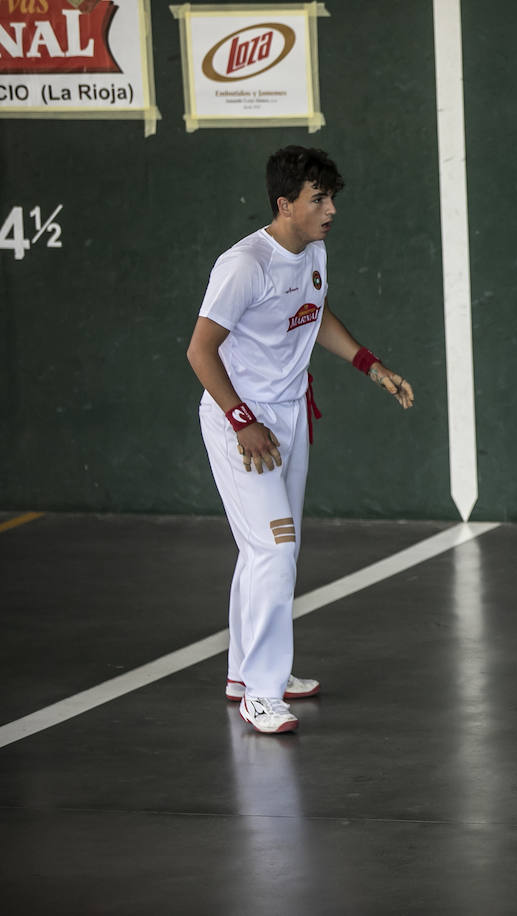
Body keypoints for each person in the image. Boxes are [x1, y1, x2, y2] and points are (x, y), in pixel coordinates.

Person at [186, 146, 414, 734]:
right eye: (319, 199)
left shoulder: (312, 250)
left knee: (268, 551)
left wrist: (370, 364)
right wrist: (241, 420)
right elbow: (200, 350)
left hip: (290, 417)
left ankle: (247, 670)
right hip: (243, 423)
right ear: (285, 204)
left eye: (332, 197)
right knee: (274, 551)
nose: (331, 209)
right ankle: (262, 692)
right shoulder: (244, 265)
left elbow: (315, 314)